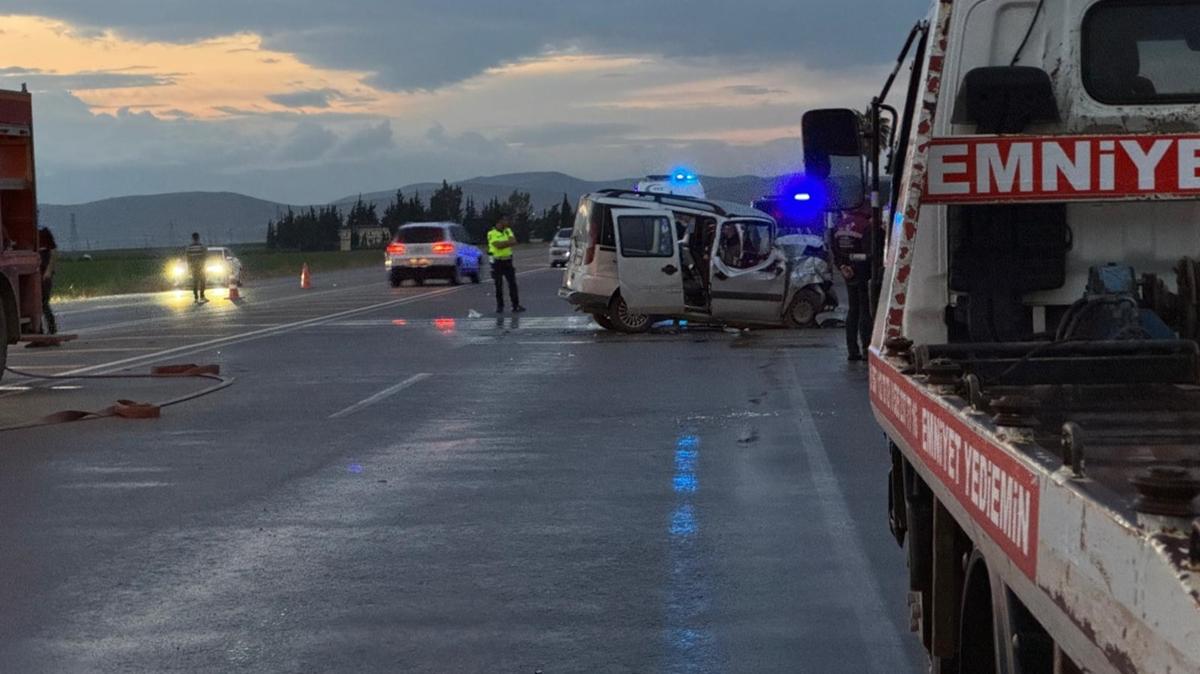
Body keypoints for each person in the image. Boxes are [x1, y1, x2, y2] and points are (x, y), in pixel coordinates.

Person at [829, 208, 873, 361]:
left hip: (847, 274)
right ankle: (867, 349)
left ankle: (852, 351)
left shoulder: (838, 226)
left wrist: (843, 266)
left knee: (853, 310)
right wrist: (855, 264)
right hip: (862, 273)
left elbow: (835, 253)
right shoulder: (866, 226)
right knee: (864, 311)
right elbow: (870, 254)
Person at [488, 216, 524, 313]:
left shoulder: (508, 230)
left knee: (512, 284)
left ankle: (515, 305)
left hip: (508, 261)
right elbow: (497, 245)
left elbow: (514, 241)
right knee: (498, 285)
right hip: (497, 262)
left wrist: (505, 243)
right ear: (499, 222)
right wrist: (508, 242)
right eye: (505, 220)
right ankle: (500, 306)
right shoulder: (492, 233)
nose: (507, 222)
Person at [37, 227, 58, 334]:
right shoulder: (29, 233)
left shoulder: (44, 233)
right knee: (35, 304)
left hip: (44, 274)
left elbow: (53, 252)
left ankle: (52, 329)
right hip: (35, 274)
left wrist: (48, 271)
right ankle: (38, 332)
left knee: (44, 302)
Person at [186, 232, 208, 304]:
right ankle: (202, 296)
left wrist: (189, 267)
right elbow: (205, 256)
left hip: (193, 267)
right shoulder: (202, 246)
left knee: (195, 282)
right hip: (201, 267)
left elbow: (188, 258)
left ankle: (196, 297)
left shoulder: (189, 247)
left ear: (192, 238)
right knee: (203, 281)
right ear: (198, 238)